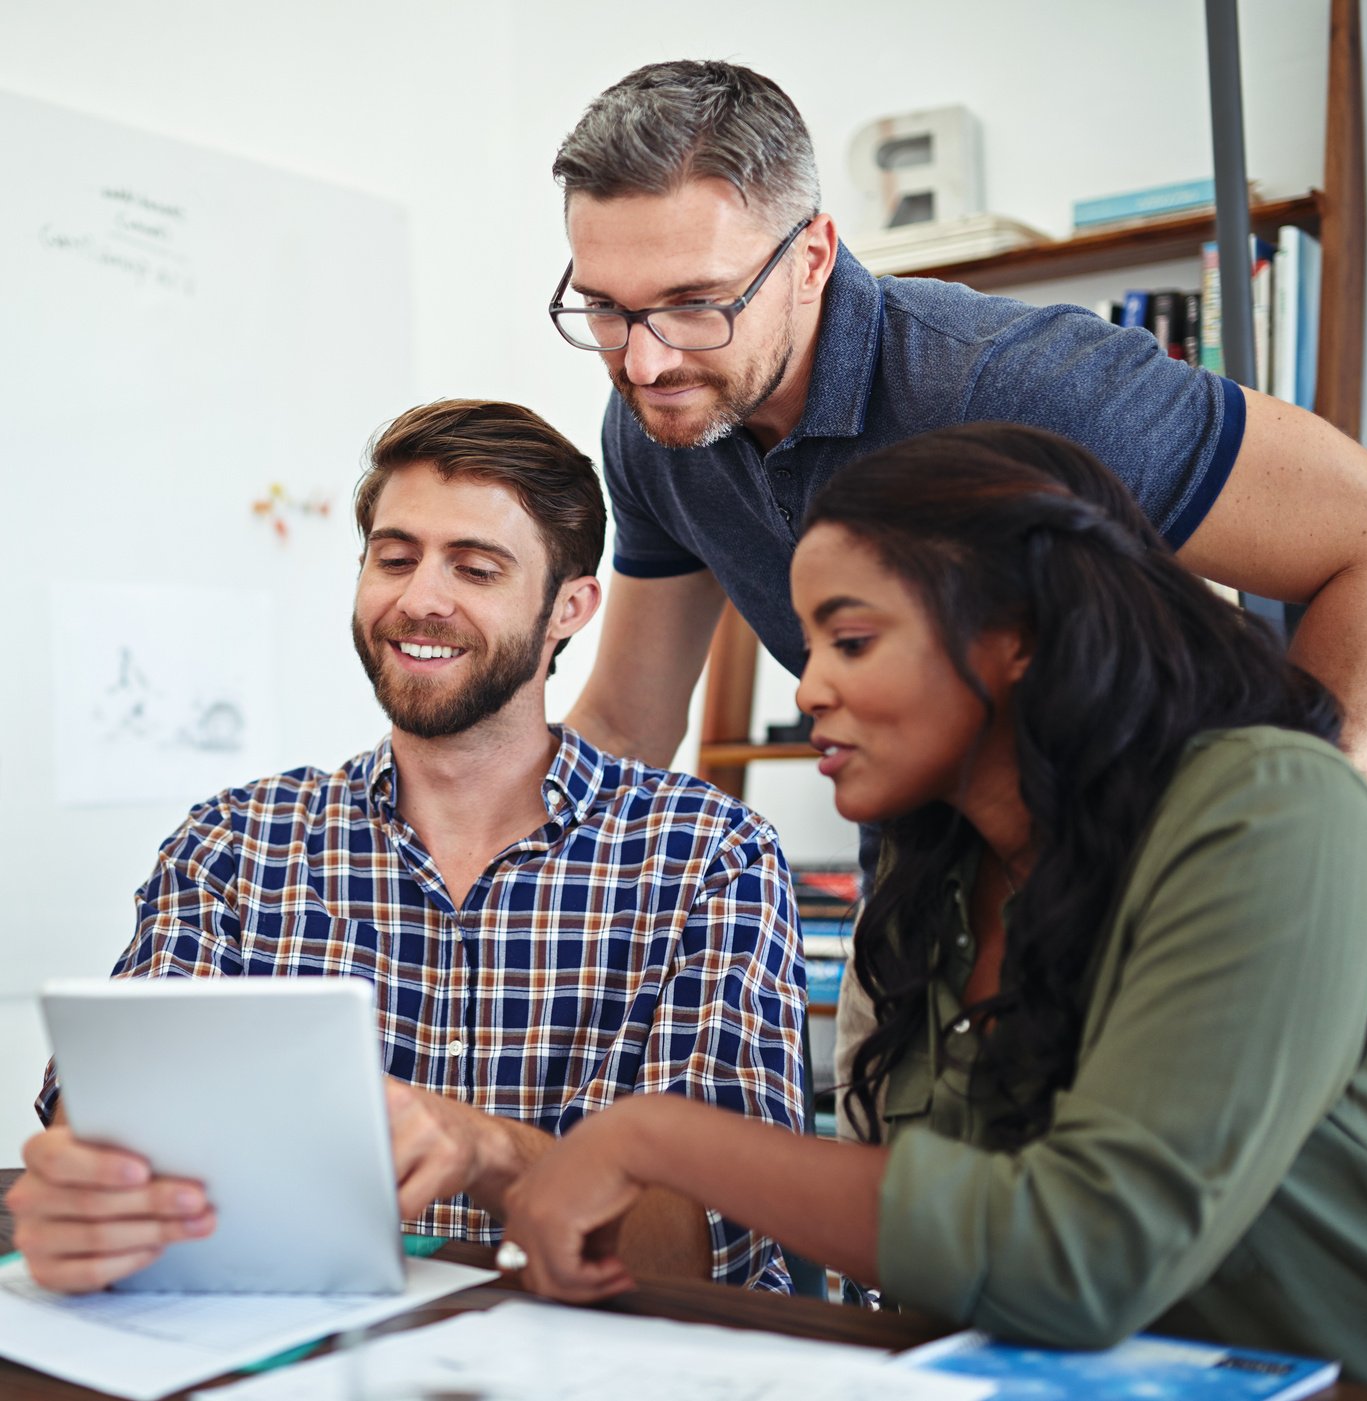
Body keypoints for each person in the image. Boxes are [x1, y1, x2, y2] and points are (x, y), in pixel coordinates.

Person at [500, 423, 1367, 1388]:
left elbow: (1077, 1259)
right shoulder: (935, 871)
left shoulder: (1270, 811)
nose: (810, 689)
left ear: (1015, 632)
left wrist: (652, 1133)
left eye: (851, 639)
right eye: (810, 648)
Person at [6, 399, 804, 1295]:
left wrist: (487, 1149)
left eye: (475, 567)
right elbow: (105, 1115)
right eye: (394, 558)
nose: (420, 599)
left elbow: (713, 1246)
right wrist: (89, 1190)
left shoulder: (707, 855)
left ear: (568, 609)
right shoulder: (231, 844)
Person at [551, 59, 1367, 781]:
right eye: (604, 309)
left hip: (1141, 884)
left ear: (810, 259)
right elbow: (628, 724)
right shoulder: (657, 420)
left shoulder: (1006, 382)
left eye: (696, 304)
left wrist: (1285, 832)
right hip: (922, 892)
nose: (643, 362)